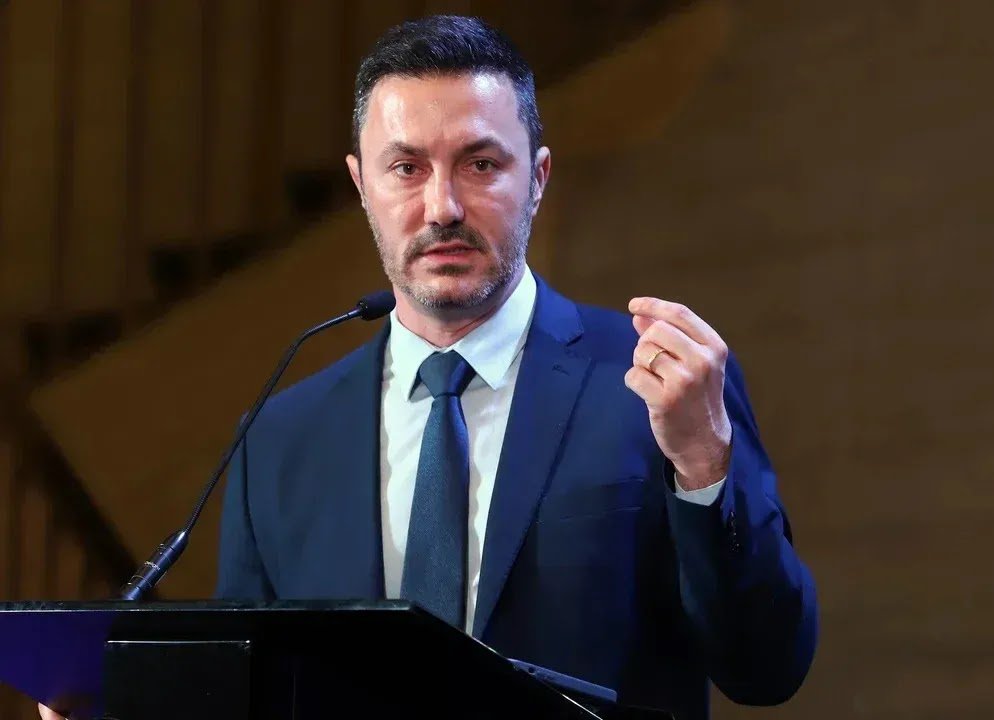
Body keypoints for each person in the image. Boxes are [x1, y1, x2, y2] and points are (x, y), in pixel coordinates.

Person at [41, 14, 817, 720]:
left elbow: (767, 666)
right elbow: (252, 694)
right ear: (362, 186)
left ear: (538, 179)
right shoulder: (279, 437)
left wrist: (704, 467)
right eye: (406, 168)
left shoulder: (657, 389)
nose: (442, 206)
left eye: (480, 163)